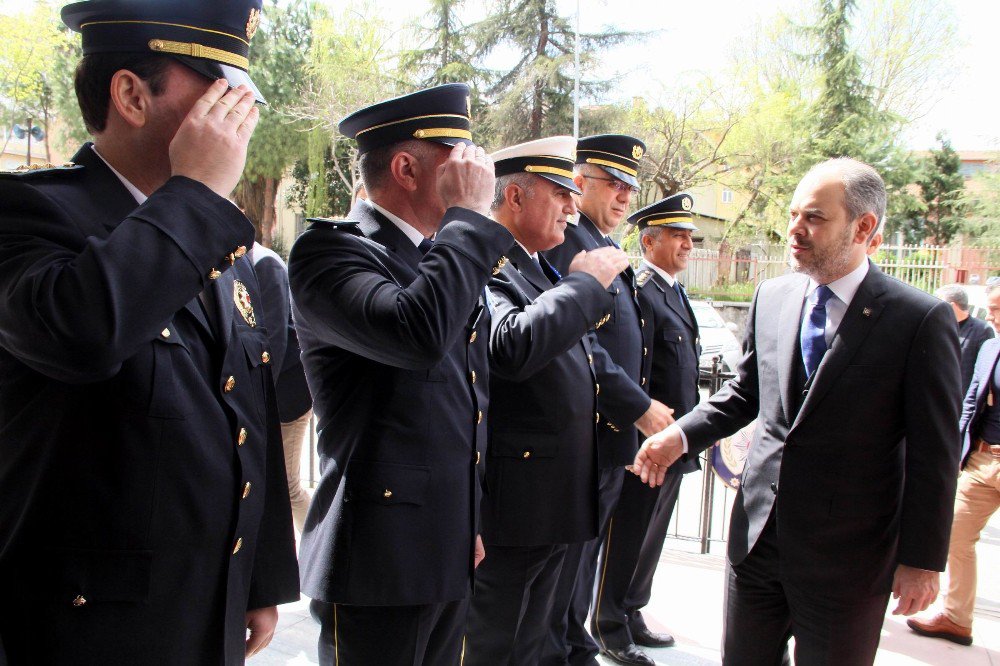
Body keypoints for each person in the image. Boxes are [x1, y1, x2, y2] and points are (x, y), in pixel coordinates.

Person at [0, 1, 299, 663]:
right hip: (83, 627)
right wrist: (194, 194)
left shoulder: (217, 240)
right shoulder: (28, 211)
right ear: (132, 95)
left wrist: (261, 575)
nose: (245, 111)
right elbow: (82, 332)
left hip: (203, 608)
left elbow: (248, 411)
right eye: (221, 90)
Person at [633, 157, 962, 665]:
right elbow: (745, 393)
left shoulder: (918, 319)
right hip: (757, 543)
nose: (795, 230)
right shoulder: (774, 294)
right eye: (792, 215)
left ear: (864, 227)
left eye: (814, 217)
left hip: (848, 561)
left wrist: (921, 560)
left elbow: (934, 453)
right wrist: (679, 435)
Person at [288, 83, 511, 665]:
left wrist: (465, 522)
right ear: (406, 167)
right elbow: (418, 336)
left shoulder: (441, 256)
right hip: (376, 560)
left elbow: (463, 405)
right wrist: (466, 218)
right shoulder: (331, 254)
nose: (474, 174)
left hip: (445, 545)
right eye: (455, 158)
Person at [464, 136, 663, 665]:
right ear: (515, 198)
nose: (572, 207)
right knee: (499, 640)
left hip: (549, 496)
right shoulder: (491, 264)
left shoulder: (537, 268)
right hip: (517, 502)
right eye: (560, 193)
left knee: (536, 636)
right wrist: (583, 287)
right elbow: (511, 347)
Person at [541, 134, 671, 666]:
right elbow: (582, 342)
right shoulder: (569, 243)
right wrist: (637, 406)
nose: (622, 197)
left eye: (628, 188)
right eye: (611, 183)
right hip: (584, 432)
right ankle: (569, 648)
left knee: (583, 558)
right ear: (579, 181)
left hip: (606, 434)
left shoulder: (601, 243)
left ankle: (577, 644)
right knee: (567, 563)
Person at [590, 194, 704, 666]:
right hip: (646, 441)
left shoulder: (674, 291)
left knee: (651, 535)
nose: (687, 245)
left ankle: (632, 610)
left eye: (690, 237)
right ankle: (608, 624)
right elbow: (637, 368)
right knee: (628, 533)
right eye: (678, 235)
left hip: (675, 439)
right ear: (649, 240)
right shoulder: (641, 291)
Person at [906, 282, 1000, 646]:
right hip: (981, 460)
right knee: (955, 534)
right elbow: (971, 403)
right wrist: (954, 455)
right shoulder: (991, 345)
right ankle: (957, 618)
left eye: (996, 308)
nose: (990, 316)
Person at [251, 242, 313, 533]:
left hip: (287, 397)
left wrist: (256, 403)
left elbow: (272, 344)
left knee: (289, 486)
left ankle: (317, 551)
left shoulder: (265, 263)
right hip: (268, 396)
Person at [935, 284, 995, 394]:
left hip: (963, 397)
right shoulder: (938, 327)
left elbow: (984, 370)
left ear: (951, 306)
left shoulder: (982, 330)